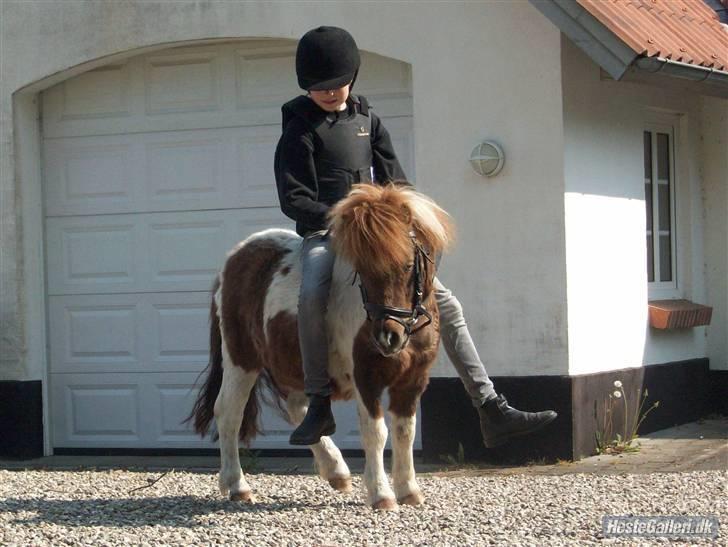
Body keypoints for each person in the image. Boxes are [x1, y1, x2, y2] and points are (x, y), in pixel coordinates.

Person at [274, 26, 557, 448]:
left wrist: (395, 220)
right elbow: (294, 198)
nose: (330, 93)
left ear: (352, 76)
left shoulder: (368, 121)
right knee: (312, 293)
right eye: (320, 88)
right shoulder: (299, 129)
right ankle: (318, 402)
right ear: (306, 87)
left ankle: (489, 404)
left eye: (337, 84)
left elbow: (397, 182)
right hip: (326, 233)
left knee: (447, 302)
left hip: (378, 236)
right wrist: (342, 219)